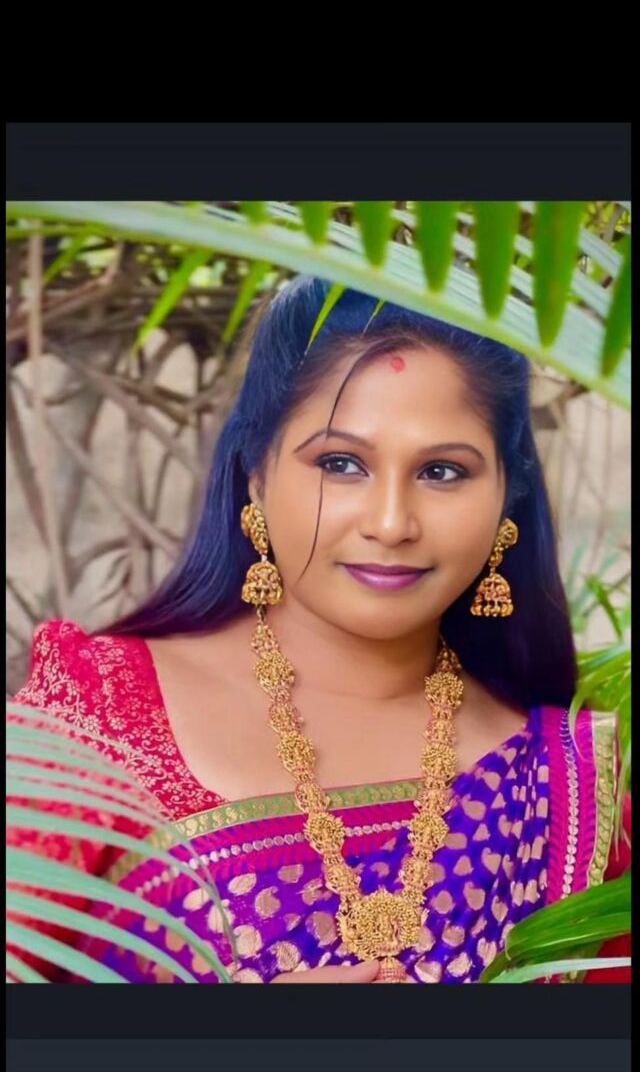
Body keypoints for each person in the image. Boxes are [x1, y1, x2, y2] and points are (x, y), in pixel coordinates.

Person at [7, 276, 631, 984]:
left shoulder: (564, 791)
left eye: (442, 471)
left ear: (506, 499)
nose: (391, 523)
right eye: (341, 463)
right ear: (257, 475)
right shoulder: (101, 714)